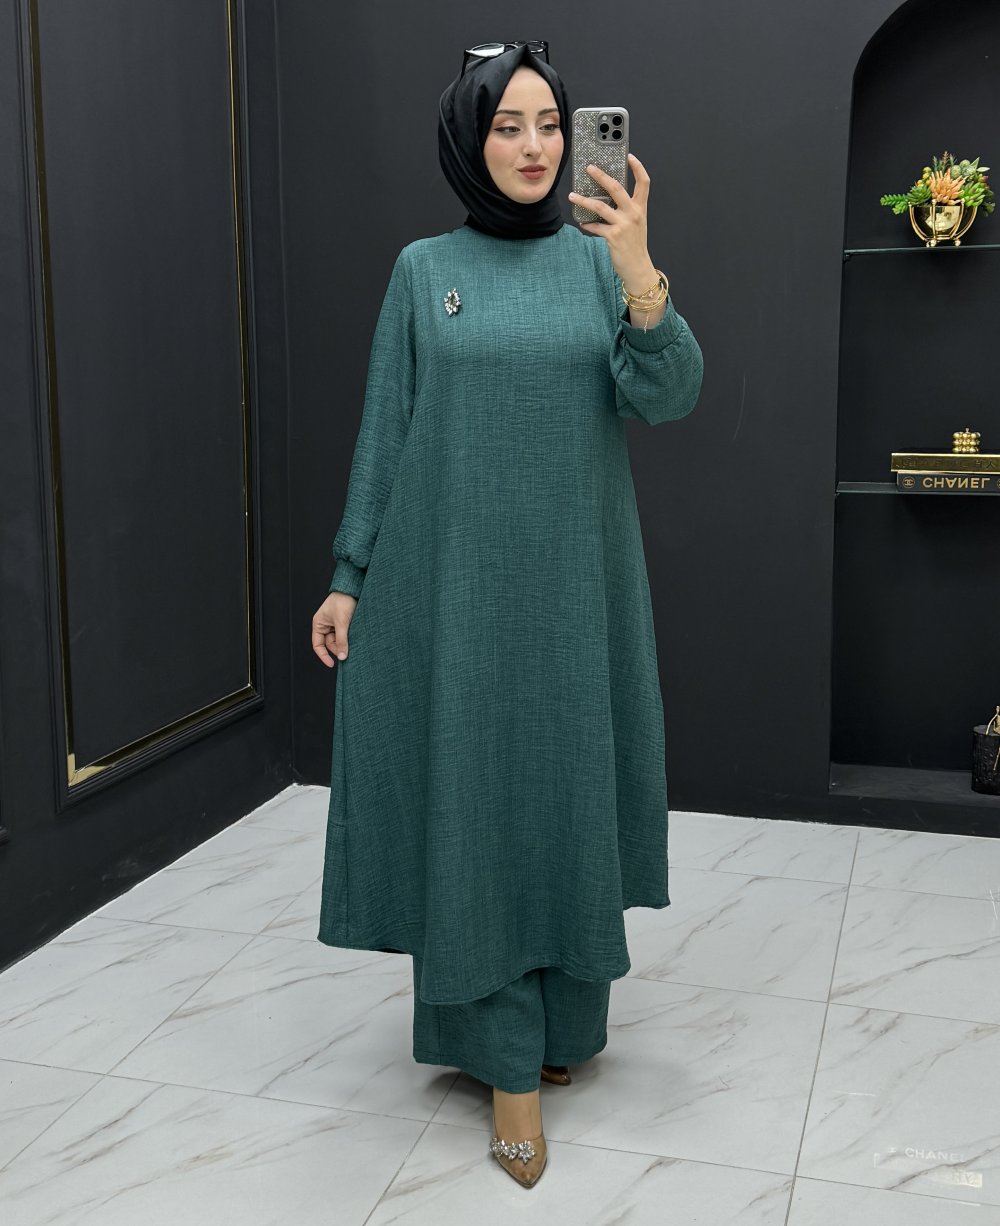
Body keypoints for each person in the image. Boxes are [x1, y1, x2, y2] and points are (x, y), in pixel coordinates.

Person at [311, 39, 703, 1189]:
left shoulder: (599, 261)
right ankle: (505, 1066)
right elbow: (387, 427)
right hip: (457, 598)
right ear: (467, 139)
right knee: (476, 809)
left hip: (577, 594)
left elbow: (670, 393)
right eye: (506, 126)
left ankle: (564, 1023)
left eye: (549, 124)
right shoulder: (422, 268)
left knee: (564, 800)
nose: (533, 147)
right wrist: (348, 572)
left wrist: (639, 267)